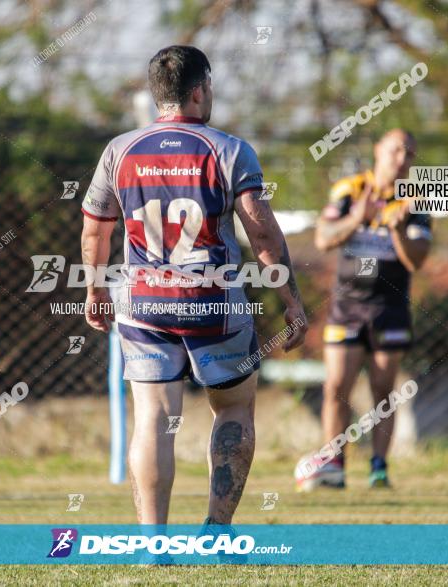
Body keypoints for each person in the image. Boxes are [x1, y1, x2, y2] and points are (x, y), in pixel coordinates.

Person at [81, 45, 307, 526]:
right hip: (214, 305)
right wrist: (290, 301)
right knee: (233, 408)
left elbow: (95, 229)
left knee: (153, 419)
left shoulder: (119, 150)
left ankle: (152, 542)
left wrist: (95, 291)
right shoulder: (229, 149)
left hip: (142, 306)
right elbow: (261, 231)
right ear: (201, 89)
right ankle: (216, 530)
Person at [299, 129, 431, 490]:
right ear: (379, 151)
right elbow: (324, 238)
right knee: (336, 386)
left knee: (382, 390)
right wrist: (357, 218)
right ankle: (334, 465)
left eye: (410, 153)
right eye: (396, 150)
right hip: (347, 306)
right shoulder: (350, 190)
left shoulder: (415, 201)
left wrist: (400, 232)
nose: (402, 159)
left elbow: (417, 260)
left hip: (390, 308)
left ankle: (378, 468)